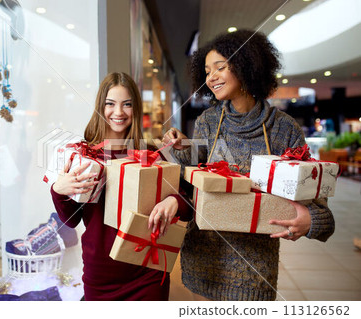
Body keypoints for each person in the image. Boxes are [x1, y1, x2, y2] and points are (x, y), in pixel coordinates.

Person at [162, 30, 335, 301]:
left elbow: (317, 201)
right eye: (207, 71)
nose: (211, 77)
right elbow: (192, 178)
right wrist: (180, 148)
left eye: (220, 67)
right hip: (205, 255)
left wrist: (311, 220)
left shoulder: (284, 129)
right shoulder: (207, 122)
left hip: (255, 268)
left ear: (246, 67)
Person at [50, 72, 191, 300]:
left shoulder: (150, 153)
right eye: (110, 104)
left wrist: (173, 200)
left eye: (127, 104)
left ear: (135, 109)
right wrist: (59, 190)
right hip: (102, 272)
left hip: (148, 270)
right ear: (100, 107)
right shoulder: (83, 155)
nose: (118, 112)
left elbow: (188, 206)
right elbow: (71, 220)